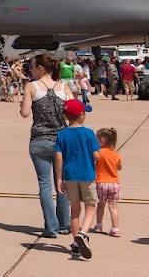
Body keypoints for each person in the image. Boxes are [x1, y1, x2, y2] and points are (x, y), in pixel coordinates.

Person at [19, 54, 72, 238]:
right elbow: (72, 114)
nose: (31, 70)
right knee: (63, 183)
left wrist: (23, 106)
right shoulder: (64, 87)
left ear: (40, 68)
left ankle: (51, 227)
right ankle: (65, 223)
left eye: (32, 67)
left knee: (45, 185)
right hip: (61, 140)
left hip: (40, 140)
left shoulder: (31, 86)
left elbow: (25, 113)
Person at [54, 99, 100, 259]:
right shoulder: (88, 133)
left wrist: (59, 178)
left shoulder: (61, 134)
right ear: (82, 115)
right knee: (90, 207)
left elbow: (58, 157)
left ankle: (75, 244)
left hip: (70, 176)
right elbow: (96, 155)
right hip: (87, 174)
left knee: (74, 210)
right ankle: (83, 233)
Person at [91, 127, 122, 237]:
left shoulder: (99, 152)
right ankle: (115, 228)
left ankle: (99, 225)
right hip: (114, 183)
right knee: (113, 207)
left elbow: (94, 162)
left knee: (101, 205)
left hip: (101, 182)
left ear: (102, 140)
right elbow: (120, 167)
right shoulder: (116, 153)